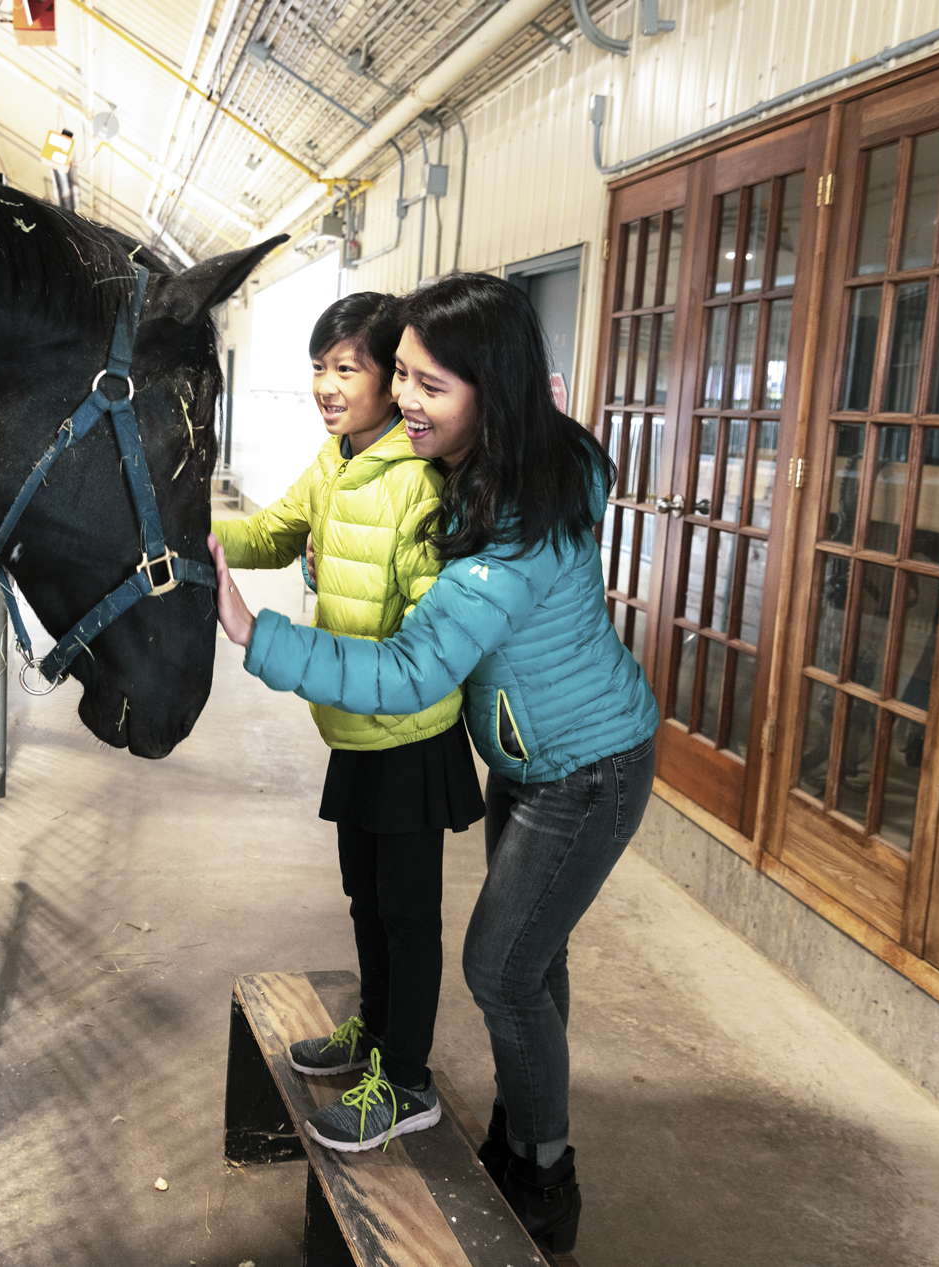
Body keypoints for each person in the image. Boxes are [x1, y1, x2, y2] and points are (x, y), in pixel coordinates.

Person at [209, 272, 658, 1254]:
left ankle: (544, 1171)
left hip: (590, 765)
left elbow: (416, 668)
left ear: (488, 392)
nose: (402, 398)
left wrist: (256, 632)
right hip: (530, 756)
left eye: (429, 384)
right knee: (534, 960)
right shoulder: (478, 468)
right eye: (400, 374)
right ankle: (520, 1124)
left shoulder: (517, 530)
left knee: (499, 967)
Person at [211, 290, 483, 1154]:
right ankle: (373, 1031)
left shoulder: (418, 485)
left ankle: (407, 1083)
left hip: (410, 735)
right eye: (318, 370)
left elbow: (425, 643)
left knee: (408, 915)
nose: (328, 387)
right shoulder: (335, 460)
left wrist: (268, 631)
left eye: (348, 369)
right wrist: (193, 530)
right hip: (353, 728)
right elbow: (272, 532)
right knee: (364, 898)